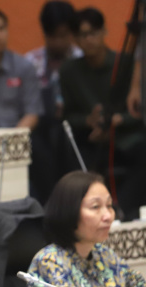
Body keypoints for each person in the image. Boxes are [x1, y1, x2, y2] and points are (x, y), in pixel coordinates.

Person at [26, 171, 146, 287]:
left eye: (109, 205)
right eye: (95, 207)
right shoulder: (48, 261)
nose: (108, 216)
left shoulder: (105, 255)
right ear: (69, 210)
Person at [60, 7, 146, 220]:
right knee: (64, 146)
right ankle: (78, 212)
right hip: (90, 138)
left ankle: (123, 210)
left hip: (125, 136)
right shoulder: (69, 70)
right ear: (75, 39)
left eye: (93, 33)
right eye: (82, 35)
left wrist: (119, 120)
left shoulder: (126, 63)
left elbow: (138, 111)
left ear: (104, 32)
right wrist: (88, 121)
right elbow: (68, 116)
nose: (89, 40)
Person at [24, 1, 83, 205]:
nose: (58, 42)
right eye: (52, 36)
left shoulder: (82, 58)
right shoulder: (30, 62)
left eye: (63, 35)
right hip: (41, 129)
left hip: (76, 125)